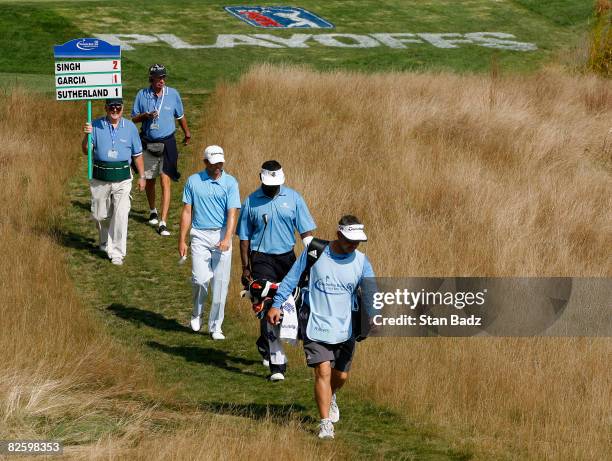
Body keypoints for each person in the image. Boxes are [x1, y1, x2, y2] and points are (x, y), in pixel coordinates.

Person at [268, 215, 374, 439]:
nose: (353, 246)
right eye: (349, 241)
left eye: (357, 242)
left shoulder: (361, 261)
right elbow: (291, 278)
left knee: (341, 376)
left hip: (345, 328)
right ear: (338, 235)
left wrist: (374, 314)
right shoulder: (315, 251)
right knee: (323, 370)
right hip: (315, 324)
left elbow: (371, 291)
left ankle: (331, 395)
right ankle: (325, 423)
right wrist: (276, 305)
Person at [237, 160, 316, 382]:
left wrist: (312, 261)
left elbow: (306, 234)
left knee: (292, 303)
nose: (273, 188)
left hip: (288, 258)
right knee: (269, 304)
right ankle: (278, 365)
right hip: (261, 257)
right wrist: (245, 267)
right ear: (261, 179)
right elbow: (244, 238)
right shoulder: (251, 202)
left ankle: (264, 340)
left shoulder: (293, 199)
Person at [179, 145, 240, 340]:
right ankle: (196, 313)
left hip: (221, 234)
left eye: (220, 163)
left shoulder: (230, 182)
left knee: (221, 284)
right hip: (199, 234)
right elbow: (187, 211)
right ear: (205, 162)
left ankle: (216, 326)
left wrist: (227, 238)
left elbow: (232, 213)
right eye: (213, 163)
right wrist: (182, 240)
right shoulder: (193, 181)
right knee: (200, 279)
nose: (217, 167)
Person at [81, 98, 146, 266]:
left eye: (118, 107)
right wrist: (86, 136)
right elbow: (86, 150)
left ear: (123, 108)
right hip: (100, 177)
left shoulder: (130, 127)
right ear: (106, 108)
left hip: (123, 178)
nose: (115, 110)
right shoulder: (95, 125)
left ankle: (117, 252)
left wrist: (142, 176)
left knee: (121, 214)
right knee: (99, 215)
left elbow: (137, 154)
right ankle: (104, 241)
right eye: (111, 107)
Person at [131, 63, 191, 236]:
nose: (162, 81)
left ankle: (163, 222)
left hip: (168, 142)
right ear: (151, 79)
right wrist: (146, 116)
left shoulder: (172, 94)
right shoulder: (142, 95)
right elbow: (134, 117)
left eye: (163, 77)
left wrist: (187, 133)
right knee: (150, 180)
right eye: (158, 78)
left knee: (166, 180)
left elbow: (180, 116)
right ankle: (153, 210)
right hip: (148, 141)